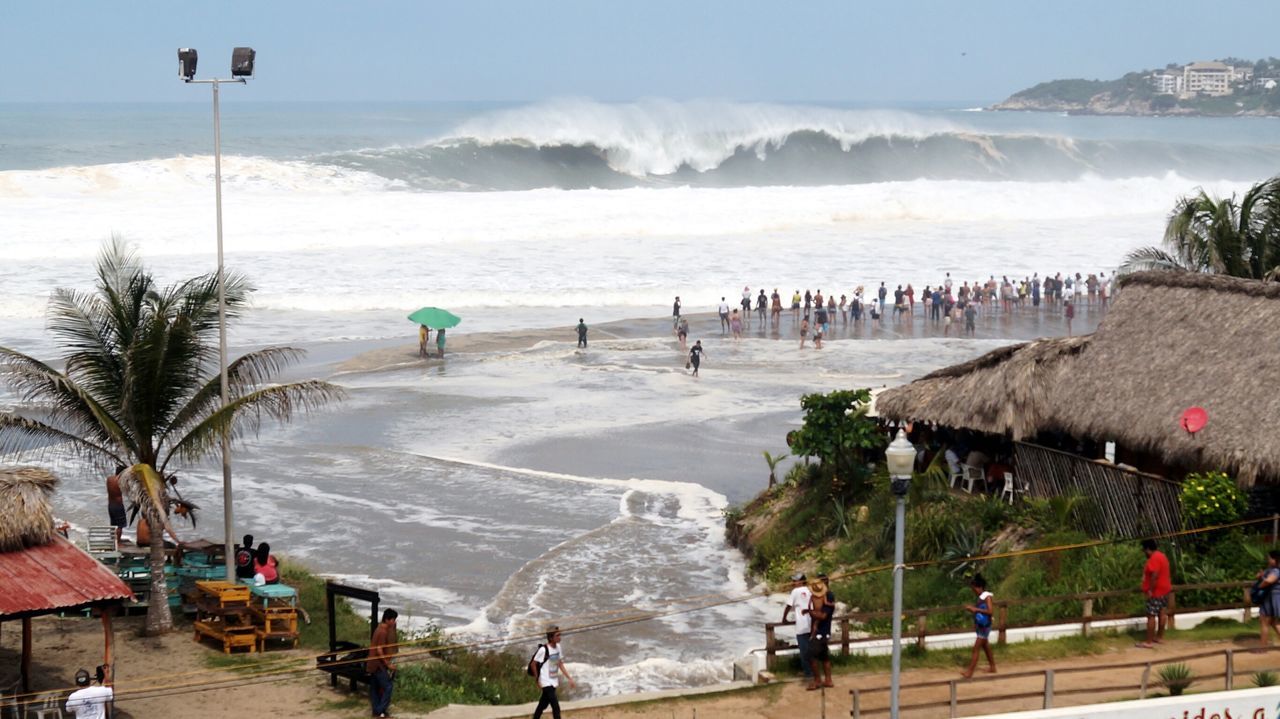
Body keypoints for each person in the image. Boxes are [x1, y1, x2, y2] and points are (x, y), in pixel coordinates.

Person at [530, 626, 575, 719]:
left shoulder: (558, 647)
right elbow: (533, 664)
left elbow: (560, 664)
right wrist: (537, 679)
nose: (560, 637)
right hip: (546, 682)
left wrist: (569, 678)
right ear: (551, 638)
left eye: (560, 635)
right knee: (556, 707)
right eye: (557, 635)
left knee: (542, 705)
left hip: (553, 681)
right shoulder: (543, 650)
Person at [1137, 538, 1171, 648]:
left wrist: (1150, 590)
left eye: (1144, 550)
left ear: (1147, 549)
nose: (1144, 553)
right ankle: (1159, 637)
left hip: (1156, 591)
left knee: (1151, 615)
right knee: (1162, 613)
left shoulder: (1154, 558)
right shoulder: (1162, 556)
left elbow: (1154, 575)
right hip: (1164, 590)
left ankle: (1148, 641)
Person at [961, 574, 997, 678]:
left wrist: (975, 609)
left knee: (975, 649)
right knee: (986, 647)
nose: (974, 591)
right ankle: (992, 667)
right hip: (982, 626)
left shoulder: (987, 597)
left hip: (985, 627)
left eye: (974, 588)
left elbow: (990, 611)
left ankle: (969, 672)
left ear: (979, 587)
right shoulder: (982, 597)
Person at [781, 572, 814, 681]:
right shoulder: (810, 590)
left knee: (804, 651)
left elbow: (789, 605)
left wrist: (784, 618)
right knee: (812, 649)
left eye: (796, 580)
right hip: (812, 624)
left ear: (801, 581)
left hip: (802, 625)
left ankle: (808, 673)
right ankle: (814, 671)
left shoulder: (795, 591)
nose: (794, 582)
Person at [367, 608, 399, 718]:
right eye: (393, 620)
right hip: (378, 665)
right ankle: (379, 710)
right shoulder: (382, 632)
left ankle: (377, 711)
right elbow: (379, 650)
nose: (394, 622)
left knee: (375, 688)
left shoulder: (379, 628)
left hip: (372, 663)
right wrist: (387, 664)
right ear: (387, 620)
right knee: (388, 686)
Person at [807, 574, 835, 689]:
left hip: (821, 632)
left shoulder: (828, 595)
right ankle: (828, 680)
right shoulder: (825, 596)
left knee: (812, 656)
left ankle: (818, 680)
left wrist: (811, 612)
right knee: (824, 656)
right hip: (821, 631)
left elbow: (823, 616)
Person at [1258, 550, 1280, 646]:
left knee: (1266, 622)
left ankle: (1262, 647)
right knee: (1274, 623)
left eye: (1269, 558)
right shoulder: (1270, 569)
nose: (1268, 559)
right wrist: (1261, 576)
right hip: (1270, 597)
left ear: (1274, 559)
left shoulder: (1276, 570)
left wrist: (1261, 585)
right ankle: (1263, 646)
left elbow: (1269, 581)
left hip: (1272, 598)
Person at [106, 466, 126, 545]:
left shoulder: (109, 479)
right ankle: (118, 543)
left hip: (111, 504)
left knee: (113, 524)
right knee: (120, 525)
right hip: (118, 505)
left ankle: (112, 540)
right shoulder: (120, 481)